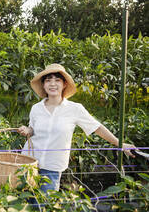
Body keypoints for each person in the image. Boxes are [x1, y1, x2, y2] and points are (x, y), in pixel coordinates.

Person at [17, 63, 135, 192]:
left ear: (64, 84)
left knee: (45, 204)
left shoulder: (75, 109)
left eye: (57, 80)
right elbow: (32, 129)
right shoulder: (36, 108)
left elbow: (97, 127)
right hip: (28, 163)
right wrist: (27, 130)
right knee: (24, 203)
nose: (52, 84)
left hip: (52, 167)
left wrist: (120, 144)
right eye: (48, 80)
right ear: (43, 85)